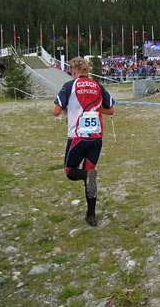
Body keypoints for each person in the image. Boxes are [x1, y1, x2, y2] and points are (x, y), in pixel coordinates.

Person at [53, 57, 114, 227]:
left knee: (70, 171)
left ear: (73, 71)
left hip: (78, 136)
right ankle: (91, 215)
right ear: (87, 70)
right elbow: (111, 109)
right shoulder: (97, 86)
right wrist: (93, 108)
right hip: (96, 137)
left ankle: (87, 177)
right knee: (91, 176)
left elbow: (56, 111)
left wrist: (71, 108)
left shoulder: (69, 86)